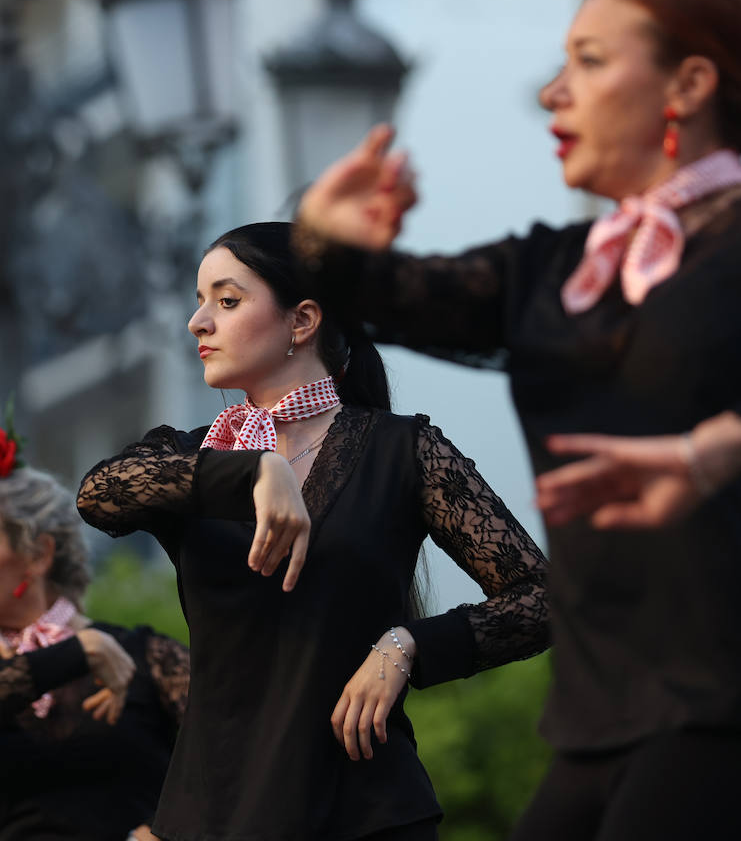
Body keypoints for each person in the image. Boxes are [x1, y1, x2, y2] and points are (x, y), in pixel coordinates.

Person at [290, 0, 741, 839]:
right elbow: (379, 294)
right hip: (599, 722)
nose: (553, 92)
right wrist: (326, 233)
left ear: (688, 85)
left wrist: (721, 446)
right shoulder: (549, 269)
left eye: (589, 61)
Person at [77, 221, 550, 841]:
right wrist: (252, 470)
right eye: (200, 302)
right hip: (213, 818)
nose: (198, 322)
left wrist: (407, 645)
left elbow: (542, 600)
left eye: (227, 300)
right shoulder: (189, 459)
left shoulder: (403, 451)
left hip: (369, 813)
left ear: (301, 321)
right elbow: (98, 493)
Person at [0, 418, 189, 841]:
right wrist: (80, 650)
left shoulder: (149, 657)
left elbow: (230, 755)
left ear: (38, 555)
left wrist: (172, 832)